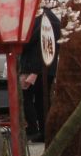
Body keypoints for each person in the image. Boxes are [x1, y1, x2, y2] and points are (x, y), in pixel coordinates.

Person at [19, 8, 60, 143]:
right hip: (49, 66)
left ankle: (33, 130)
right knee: (43, 101)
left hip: (32, 66)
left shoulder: (37, 18)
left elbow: (27, 40)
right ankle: (44, 131)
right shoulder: (54, 20)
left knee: (26, 98)